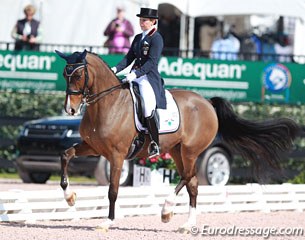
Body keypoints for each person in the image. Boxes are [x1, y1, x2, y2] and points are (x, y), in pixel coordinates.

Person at [111, 8, 166, 158]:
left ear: (153, 21)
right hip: (134, 76)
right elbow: (129, 58)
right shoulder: (137, 38)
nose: (141, 23)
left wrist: (134, 74)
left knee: (148, 107)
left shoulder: (156, 38)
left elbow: (151, 63)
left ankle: (155, 143)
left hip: (148, 78)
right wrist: (115, 69)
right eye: (141, 20)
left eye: (145, 20)